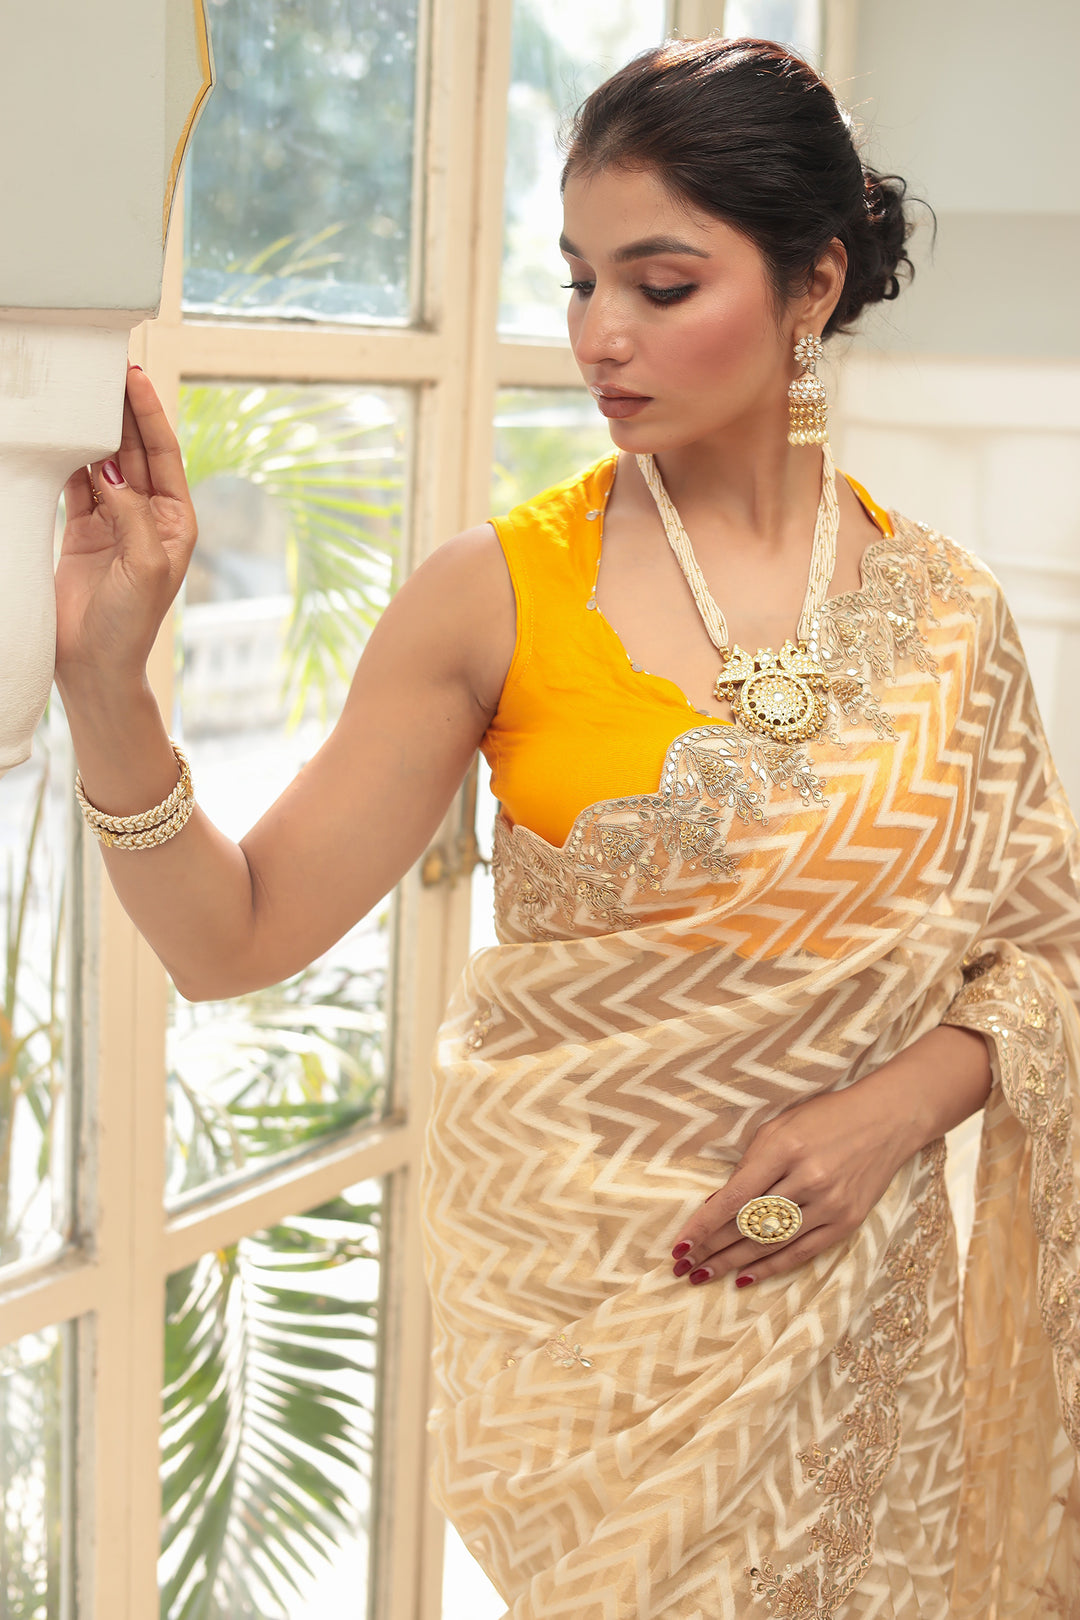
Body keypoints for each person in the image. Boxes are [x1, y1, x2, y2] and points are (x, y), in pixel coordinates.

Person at [55, 34, 1079, 1620]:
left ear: (811, 285)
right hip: (587, 1344)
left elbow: (1046, 961)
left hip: (857, 1335)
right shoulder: (498, 591)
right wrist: (107, 682)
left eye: (660, 285)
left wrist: (890, 1115)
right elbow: (230, 940)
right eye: (579, 280)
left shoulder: (950, 615)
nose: (600, 333)